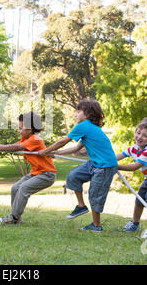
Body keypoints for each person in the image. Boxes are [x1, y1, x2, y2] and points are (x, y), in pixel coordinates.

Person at [38, 99, 117, 232]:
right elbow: (76, 148)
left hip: (104, 166)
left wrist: (45, 151)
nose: (76, 114)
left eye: (78, 111)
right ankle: (81, 206)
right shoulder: (89, 128)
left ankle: (96, 226)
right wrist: (57, 153)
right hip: (94, 163)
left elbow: (63, 141)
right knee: (73, 176)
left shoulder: (84, 126)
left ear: (87, 114)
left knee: (94, 194)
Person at [0, 112, 57, 225]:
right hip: (35, 173)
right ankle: (16, 219)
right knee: (15, 188)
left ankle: (13, 218)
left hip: (47, 175)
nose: (18, 131)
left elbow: (15, 147)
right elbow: (8, 146)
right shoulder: (25, 140)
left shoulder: (36, 139)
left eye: (20, 128)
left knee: (24, 188)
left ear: (30, 129)